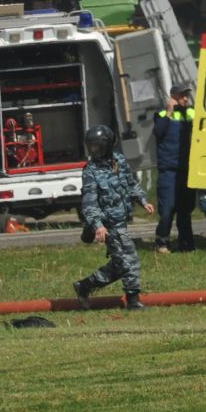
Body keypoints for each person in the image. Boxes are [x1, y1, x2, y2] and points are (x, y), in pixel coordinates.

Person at [74, 124, 155, 310]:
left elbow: (130, 184)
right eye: (90, 147)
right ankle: (133, 301)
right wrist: (98, 226)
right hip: (109, 224)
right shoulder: (90, 171)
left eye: (97, 147)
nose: (93, 151)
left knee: (120, 264)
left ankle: (85, 285)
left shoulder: (119, 160)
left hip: (121, 221)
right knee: (130, 260)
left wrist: (142, 200)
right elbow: (89, 203)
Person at [152, 84, 196, 252]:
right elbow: (158, 132)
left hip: (187, 170)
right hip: (169, 171)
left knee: (185, 210)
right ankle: (162, 242)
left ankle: (186, 244)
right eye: (182, 95)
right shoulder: (162, 115)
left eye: (187, 95)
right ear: (173, 97)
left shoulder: (192, 113)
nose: (186, 98)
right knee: (168, 208)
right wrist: (169, 112)